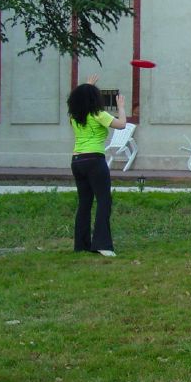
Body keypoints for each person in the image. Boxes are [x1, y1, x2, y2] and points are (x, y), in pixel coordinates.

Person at [66, 75, 127, 257]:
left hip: (77, 161)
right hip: (94, 160)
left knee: (84, 203)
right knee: (103, 200)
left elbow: (81, 98)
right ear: (95, 98)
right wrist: (121, 108)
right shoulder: (99, 114)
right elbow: (122, 125)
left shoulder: (74, 117)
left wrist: (87, 86)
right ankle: (102, 244)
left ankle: (81, 245)